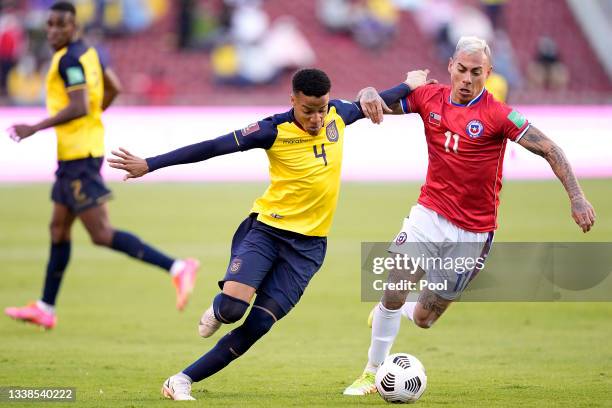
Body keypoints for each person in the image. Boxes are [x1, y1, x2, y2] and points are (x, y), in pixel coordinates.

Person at [108, 67, 434, 401]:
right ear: (292, 100)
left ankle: (181, 380)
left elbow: (376, 101)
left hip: (307, 250)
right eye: (308, 111)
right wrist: (150, 163)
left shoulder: (338, 114)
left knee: (259, 325)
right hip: (267, 232)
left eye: (321, 110)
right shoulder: (270, 130)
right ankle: (219, 310)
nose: (317, 119)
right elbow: (212, 147)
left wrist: (409, 84)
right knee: (233, 311)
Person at [343, 36, 595, 396]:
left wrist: (577, 197)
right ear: (450, 66)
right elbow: (376, 104)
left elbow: (550, 149)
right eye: (461, 70)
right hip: (429, 213)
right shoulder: (428, 97)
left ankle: (403, 312)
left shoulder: (498, 114)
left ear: (488, 73)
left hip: (473, 233)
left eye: (476, 72)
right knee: (394, 286)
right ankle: (371, 372)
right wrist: (368, 90)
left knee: (425, 319)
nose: (466, 78)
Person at [4, 2, 199, 330]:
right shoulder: (89, 53)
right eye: (49, 25)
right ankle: (46, 307)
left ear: (73, 27)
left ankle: (178, 267)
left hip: (79, 157)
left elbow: (79, 105)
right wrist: (94, 116)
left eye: (60, 26)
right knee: (58, 228)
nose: (53, 31)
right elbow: (114, 88)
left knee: (100, 234)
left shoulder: (68, 60)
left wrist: (35, 127)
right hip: (75, 155)